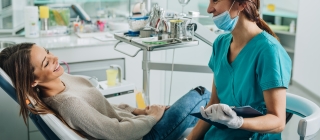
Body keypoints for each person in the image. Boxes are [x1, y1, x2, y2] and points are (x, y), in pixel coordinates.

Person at [0, 43, 211, 140]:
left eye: (47, 51)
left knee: (200, 116)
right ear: (34, 80)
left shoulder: (62, 78)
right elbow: (117, 133)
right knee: (201, 95)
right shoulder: (68, 103)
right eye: (46, 62)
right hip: (141, 136)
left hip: (136, 124)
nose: (54, 58)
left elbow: (105, 107)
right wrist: (152, 118)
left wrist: (139, 111)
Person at [187, 0, 292, 140]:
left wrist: (238, 122)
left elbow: (278, 122)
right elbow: (214, 102)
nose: (209, 9)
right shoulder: (220, 43)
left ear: (241, 4)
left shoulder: (269, 51)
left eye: (216, 0)